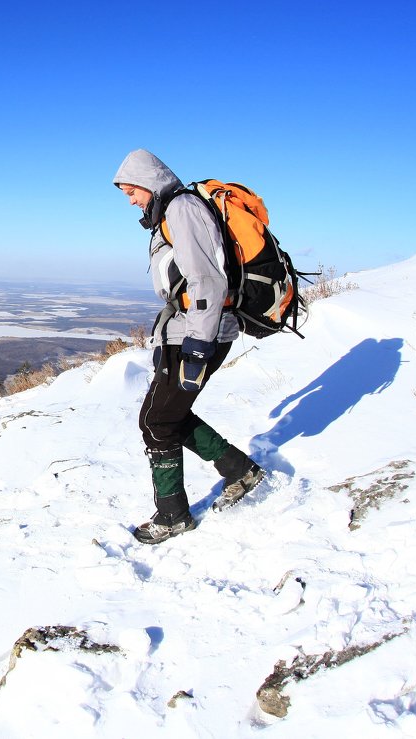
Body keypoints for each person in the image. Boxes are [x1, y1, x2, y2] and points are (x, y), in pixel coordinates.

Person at [113, 149, 265, 544]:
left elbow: (206, 281)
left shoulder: (181, 208)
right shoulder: (169, 213)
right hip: (185, 331)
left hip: (199, 334)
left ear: (148, 182)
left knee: (156, 422)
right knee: (166, 417)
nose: (130, 200)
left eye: (131, 191)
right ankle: (239, 470)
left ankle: (174, 514)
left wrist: (198, 345)